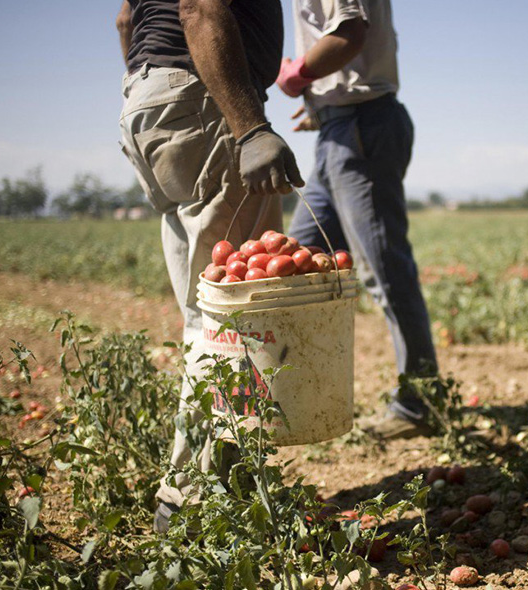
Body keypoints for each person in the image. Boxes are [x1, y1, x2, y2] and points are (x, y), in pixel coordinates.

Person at [115, 0, 304, 533]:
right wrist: (249, 128)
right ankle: (192, 503)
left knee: (207, 311)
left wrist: (153, 91)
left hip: (151, 100)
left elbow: (126, 21)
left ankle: (218, 485)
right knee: (232, 318)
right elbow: (200, 6)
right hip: (203, 98)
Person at [275, 0, 437, 440]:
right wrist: (324, 108)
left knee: (384, 270)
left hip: (361, 126)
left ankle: (418, 403)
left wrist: (296, 75)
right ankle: (299, 397)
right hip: (340, 129)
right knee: (296, 265)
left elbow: (349, 33)